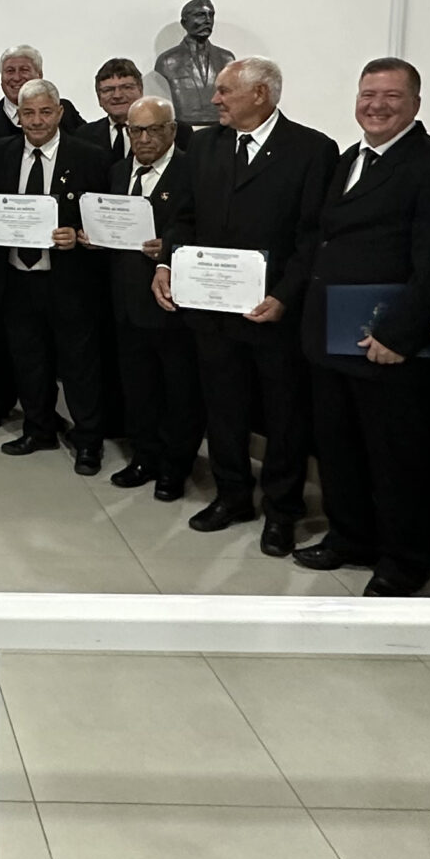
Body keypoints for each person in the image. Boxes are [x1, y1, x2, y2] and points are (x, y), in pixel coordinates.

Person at [293, 59, 430, 592]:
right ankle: (349, 537)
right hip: (332, 337)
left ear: (415, 103)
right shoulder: (349, 160)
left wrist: (400, 335)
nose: (377, 105)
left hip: (391, 346)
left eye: (392, 96)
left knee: (398, 461)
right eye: (368, 94)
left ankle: (404, 562)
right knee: (339, 450)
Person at [161, 56, 337, 546]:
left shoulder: (312, 150)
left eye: (225, 91)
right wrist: (166, 264)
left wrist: (284, 296)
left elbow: (313, 237)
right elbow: (184, 217)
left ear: (260, 94)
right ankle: (232, 495)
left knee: (284, 416)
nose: (214, 98)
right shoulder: (204, 145)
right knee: (224, 410)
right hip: (212, 311)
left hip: (274, 313)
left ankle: (282, 510)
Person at [0, 78, 108, 472]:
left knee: (79, 364)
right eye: (28, 113)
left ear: (60, 113)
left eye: (45, 112)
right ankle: (39, 428)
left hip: (69, 280)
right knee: (29, 359)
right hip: (16, 276)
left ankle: (88, 440)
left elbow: (101, 217)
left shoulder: (89, 156)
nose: (36, 120)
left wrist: (79, 235)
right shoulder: (0, 152)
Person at [108, 96, 199, 499]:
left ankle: (175, 467)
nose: (143, 139)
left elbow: (198, 224)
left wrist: (170, 248)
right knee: (137, 387)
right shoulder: (117, 171)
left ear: (172, 130)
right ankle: (143, 457)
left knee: (178, 390)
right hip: (125, 301)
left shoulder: (191, 172)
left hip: (170, 304)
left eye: (153, 129)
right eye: (135, 130)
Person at [154, 0, 235, 128]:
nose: (208, 21)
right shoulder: (167, 61)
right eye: (200, 15)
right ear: (184, 23)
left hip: (221, 127)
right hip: (185, 128)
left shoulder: (227, 59)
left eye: (211, 15)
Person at [86, 58, 144, 170]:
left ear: (140, 91)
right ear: (99, 97)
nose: (117, 95)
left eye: (126, 87)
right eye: (108, 90)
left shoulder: (165, 131)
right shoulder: (84, 136)